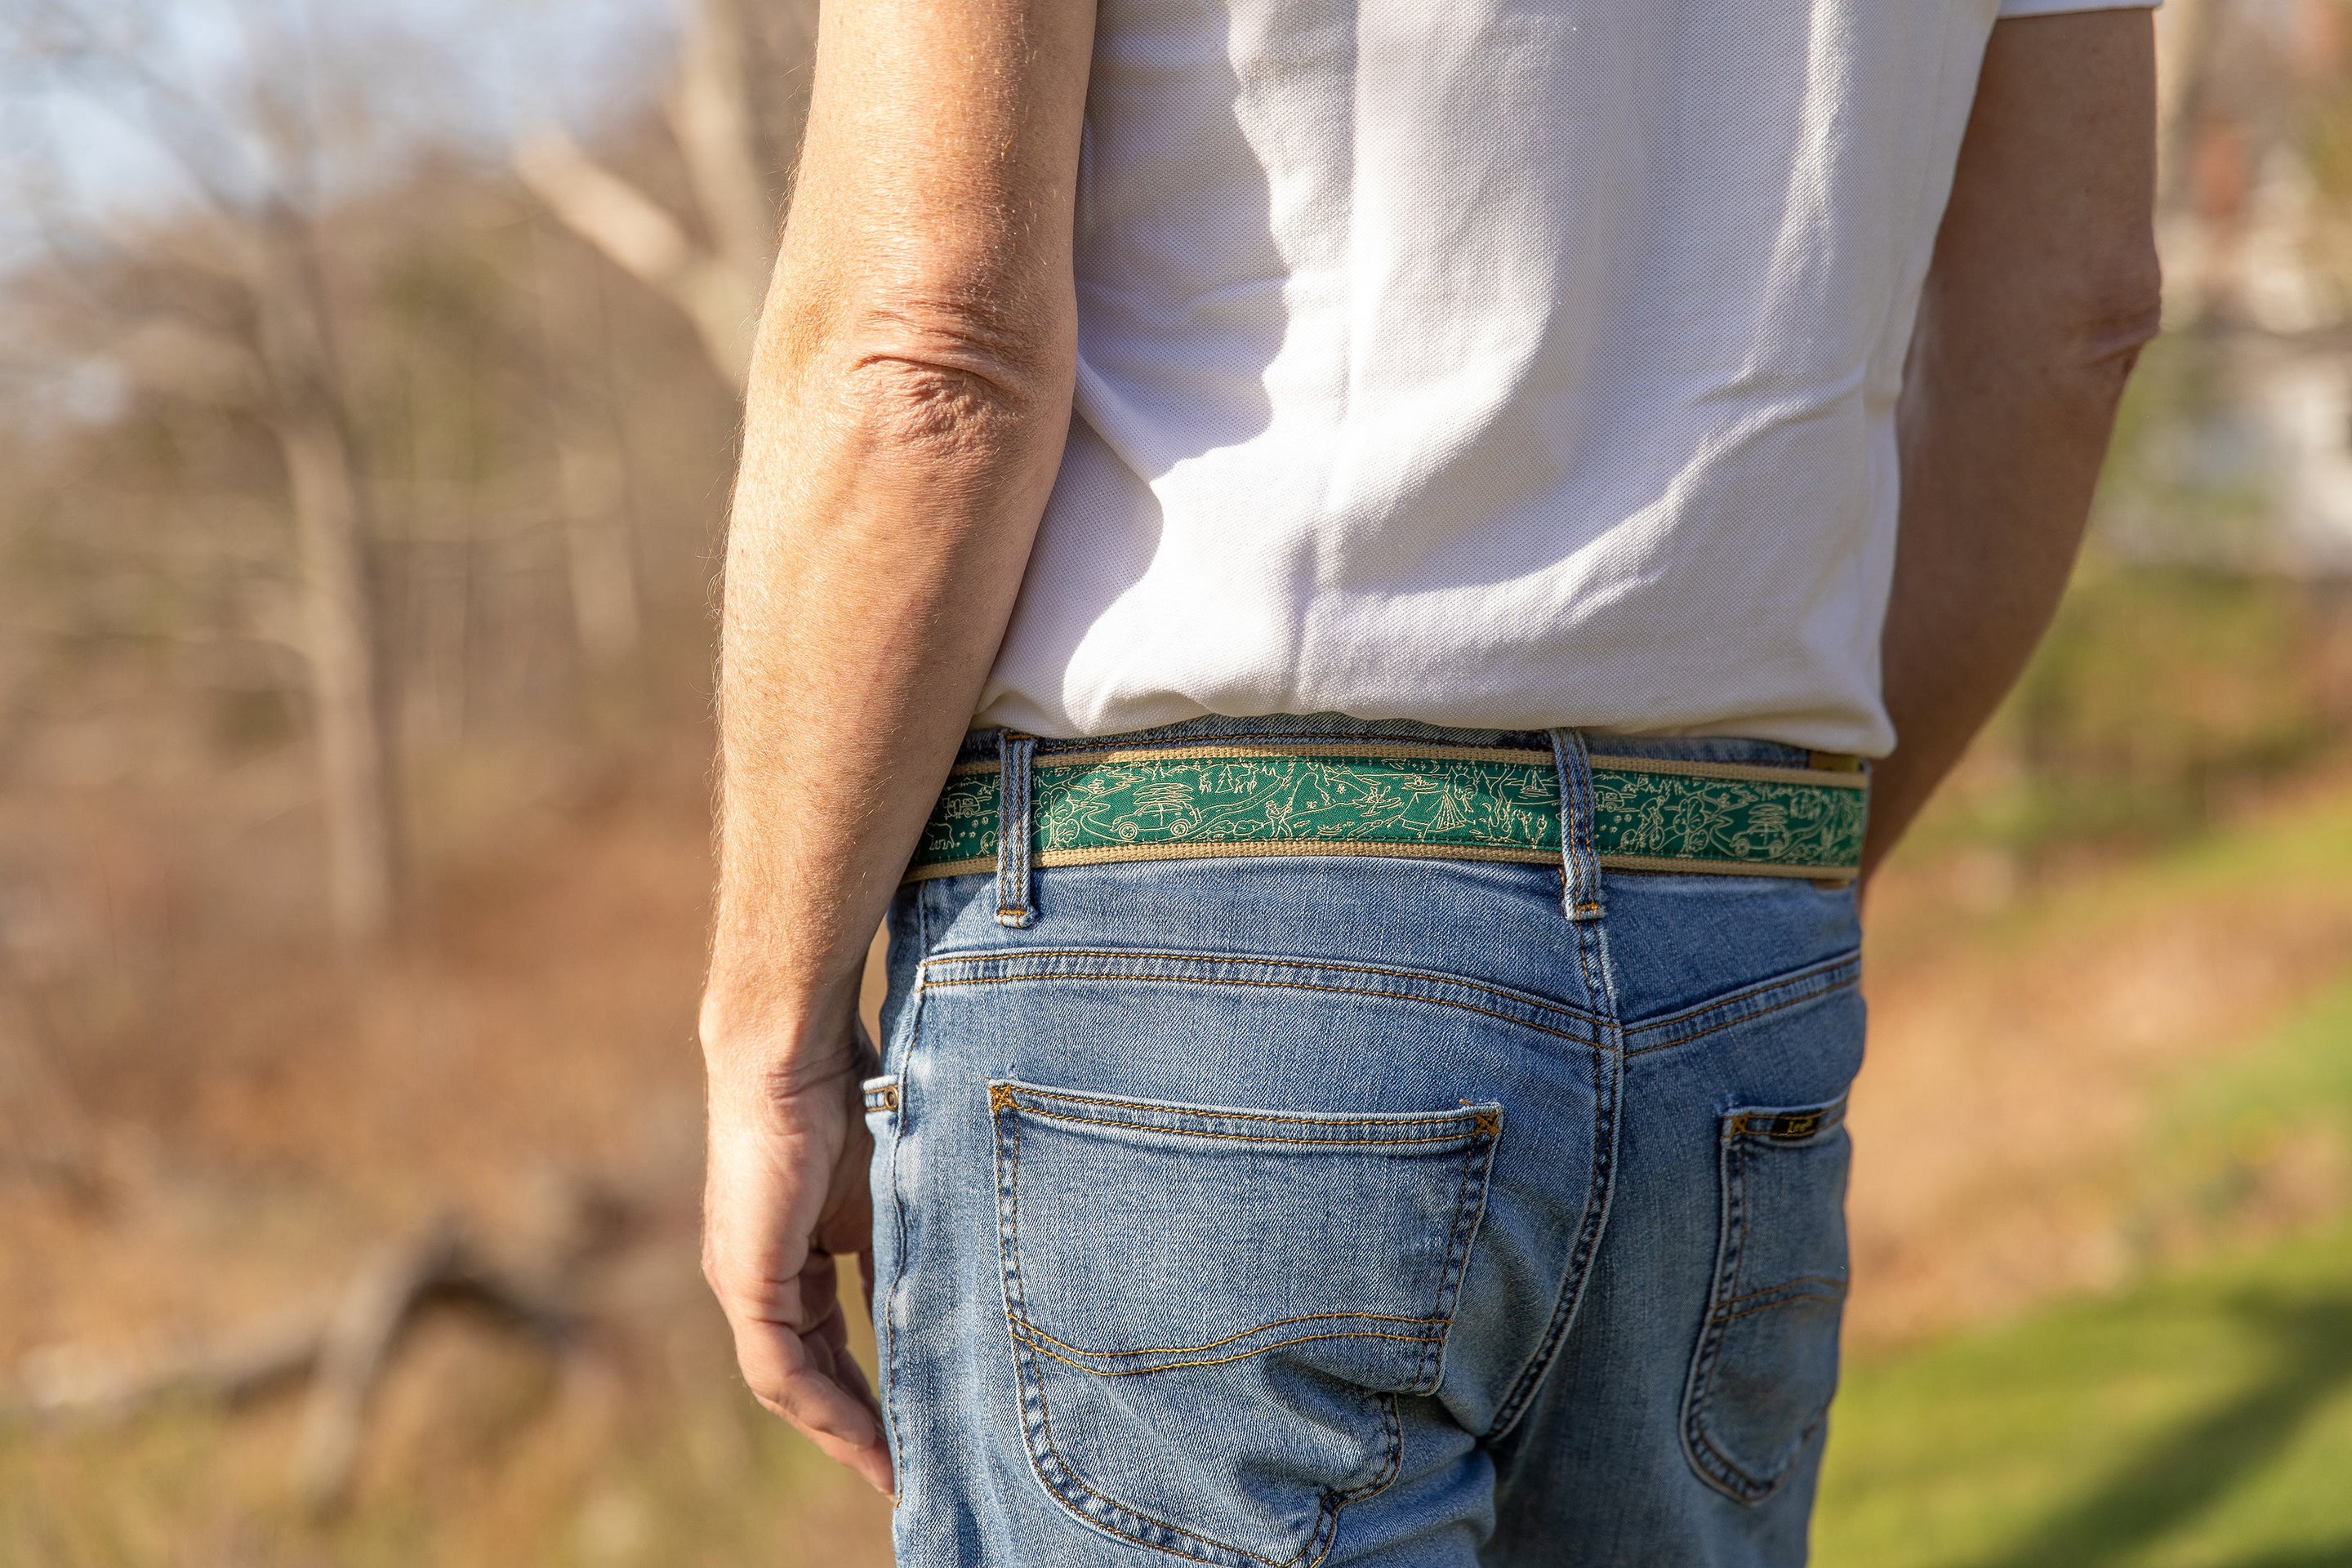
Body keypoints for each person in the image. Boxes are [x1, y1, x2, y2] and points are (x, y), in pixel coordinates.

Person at [696, 0, 2160, 1561]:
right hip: (1730, 959)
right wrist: (1760, 879)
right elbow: (2071, 328)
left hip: (1202, 985)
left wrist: (773, 1030)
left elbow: (927, 353)